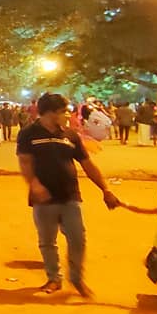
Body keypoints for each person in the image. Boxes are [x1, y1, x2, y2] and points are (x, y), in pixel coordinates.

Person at [16, 93, 121, 297]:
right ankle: (54, 278)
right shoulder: (29, 133)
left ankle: (76, 278)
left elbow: (87, 164)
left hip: (70, 196)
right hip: (43, 199)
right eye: (64, 111)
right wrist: (34, 185)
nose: (68, 114)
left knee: (77, 238)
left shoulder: (70, 135)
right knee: (47, 241)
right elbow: (25, 162)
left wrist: (105, 189)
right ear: (51, 113)